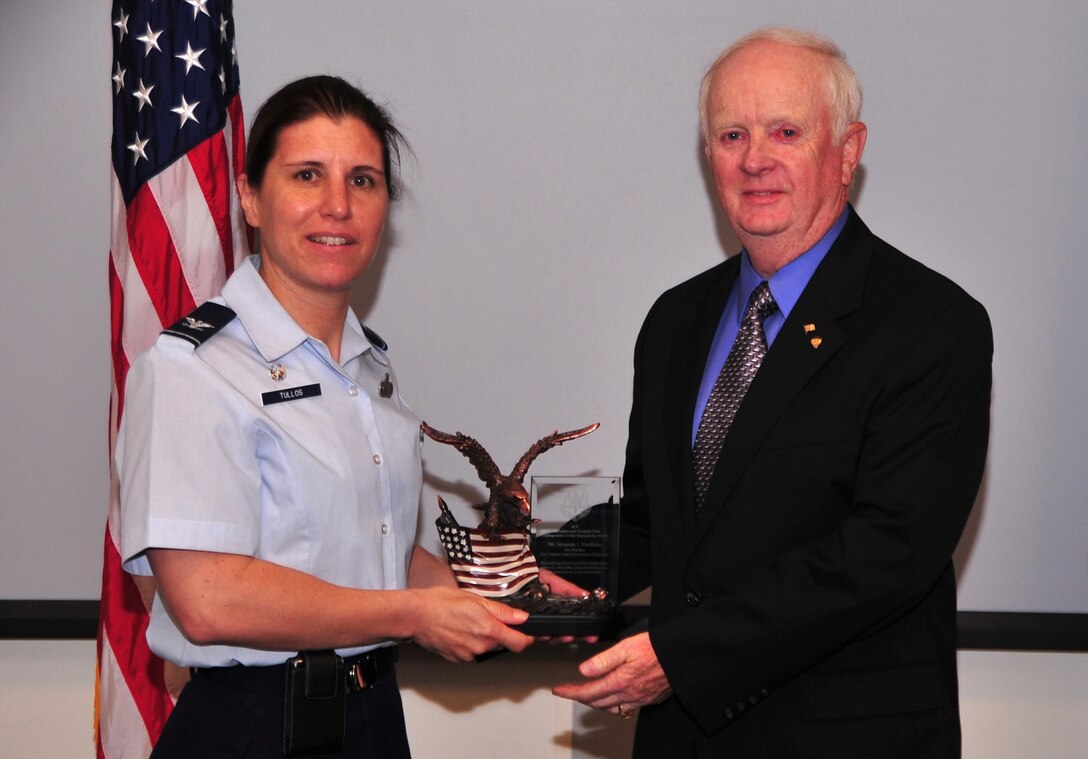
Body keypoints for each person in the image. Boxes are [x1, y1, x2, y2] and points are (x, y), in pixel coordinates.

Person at [553, 28, 993, 758]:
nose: (754, 159)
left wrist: (684, 654)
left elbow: (887, 552)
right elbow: (656, 523)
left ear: (847, 151)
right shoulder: (674, 320)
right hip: (682, 739)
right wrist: (536, 565)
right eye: (731, 134)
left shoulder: (932, 324)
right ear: (708, 158)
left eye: (785, 131)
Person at [118, 75, 539, 758]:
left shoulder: (370, 370)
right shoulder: (192, 368)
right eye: (307, 175)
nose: (337, 206)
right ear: (251, 198)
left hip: (372, 717)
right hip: (252, 727)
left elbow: (376, 555)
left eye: (364, 181)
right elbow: (209, 598)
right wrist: (413, 614)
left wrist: (515, 585)